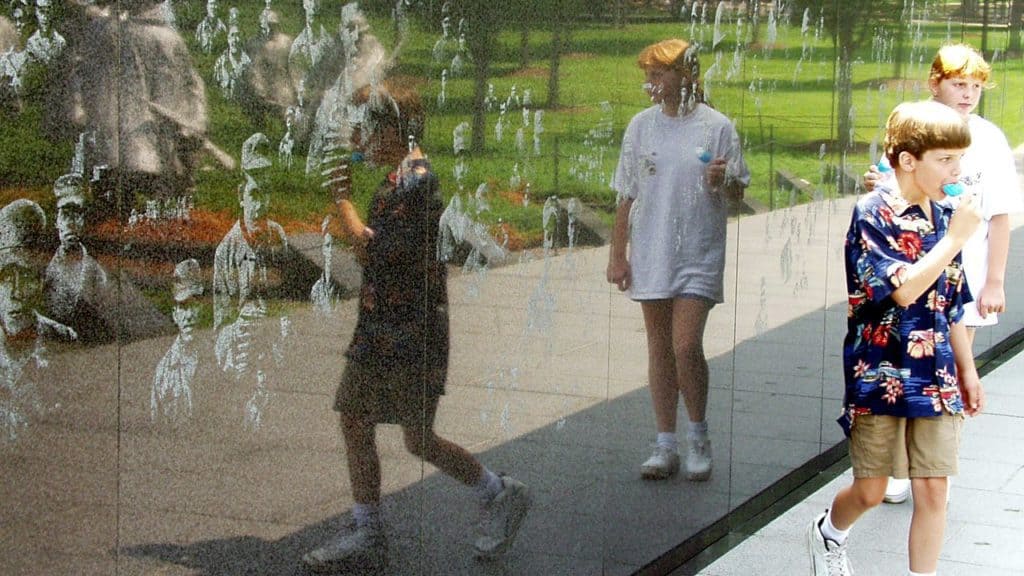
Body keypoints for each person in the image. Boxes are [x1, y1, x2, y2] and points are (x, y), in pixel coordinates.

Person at [302, 80, 531, 572]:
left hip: (407, 329)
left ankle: (495, 493)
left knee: (412, 436)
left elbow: (372, 253)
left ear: (394, 128)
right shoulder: (402, 178)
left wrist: (341, 200)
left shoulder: (413, 180)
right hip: (391, 324)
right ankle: (372, 528)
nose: (356, 139)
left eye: (364, 127)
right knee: (359, 419)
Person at [809, 100, 984, 576]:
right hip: (881, 371)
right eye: (946, 159)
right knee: (870, 489)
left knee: (933, 490)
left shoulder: (948, 215)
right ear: (909, 160)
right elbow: (903, 290)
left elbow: (950, 302)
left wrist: (967, 371)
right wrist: (955, 240)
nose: (957, 170)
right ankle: (830, 532)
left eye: (959, 159)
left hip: (937, 372)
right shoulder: (873, 212)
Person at [863, 43, 1022, 505]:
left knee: (950, 369)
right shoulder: (913, 126)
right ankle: (898, 467)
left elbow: (999, 215)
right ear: (936, 83)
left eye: (976, 86)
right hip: (912, 272)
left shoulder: (988, 139)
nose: (968, 94)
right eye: (958, 84)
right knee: (904, 367)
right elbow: (889, 185)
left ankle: (934, 468)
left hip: (963, 279)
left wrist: (994, 281)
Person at [606, 38, 749, 481]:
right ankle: (665, 443)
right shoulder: (641, 127)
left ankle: (698, 434)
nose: (651, 83)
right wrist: (618, 254)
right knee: (660, 347)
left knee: (685, 345)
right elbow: (627, 194)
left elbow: (738, 193)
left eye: (658, 74)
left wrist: (723, 181)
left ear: (685, 76)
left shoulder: (716, 127)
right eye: (648, 75)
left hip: (699, 249)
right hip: (653, 248)